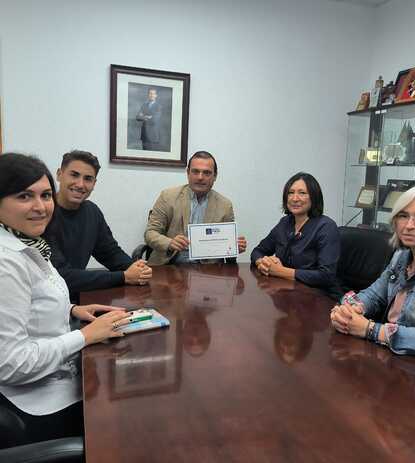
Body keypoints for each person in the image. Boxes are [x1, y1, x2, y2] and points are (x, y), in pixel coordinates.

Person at [0, 153, 133, 447]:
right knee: (131, 414)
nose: (40, 207)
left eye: (45, 195)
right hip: (39, 401)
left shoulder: (29, 240)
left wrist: (72, 308)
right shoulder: (5, 261)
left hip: (60, 376)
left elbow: (33, 299)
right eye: (24, 196)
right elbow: (10, 364)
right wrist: (84, 336)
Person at [331, 184, 415, 362]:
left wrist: (370, 329)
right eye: (403, 216)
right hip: (392, 357)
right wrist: (348, 310)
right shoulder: (402, 256)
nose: (409, 225)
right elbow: (374, 295)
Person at [50, 150, 152, 302]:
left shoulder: (91, 211)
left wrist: (136, 268)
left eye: (88, 179)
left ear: (94, 184)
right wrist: (124, 276)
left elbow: (110, 252)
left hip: (77, 298)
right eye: (74, 175)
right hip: (48, 301)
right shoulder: (42, 213)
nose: (80, 184)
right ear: (59, 174)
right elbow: (60, 275)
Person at [144, 150, 247, 265]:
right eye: (195, 171)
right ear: (188, 173)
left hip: (208, 267)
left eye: (207, 173)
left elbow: (227, 249)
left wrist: (234, 247)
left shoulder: (225, 205)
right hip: (171, 262)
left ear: (215, 176)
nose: (200, 177)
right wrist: (170, 243)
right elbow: (150, 233)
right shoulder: (168, 197)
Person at [250, 172, 340, 288]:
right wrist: (263, 263)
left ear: (314, 197)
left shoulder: (326, 227)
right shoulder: (285, 223)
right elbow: (257, 251)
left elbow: (326, 276)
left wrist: (279, 271)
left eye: (302, 193)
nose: (295, 198)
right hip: (287, 290)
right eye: (291, 193)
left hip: (318, 294)